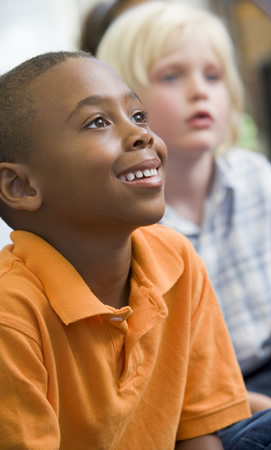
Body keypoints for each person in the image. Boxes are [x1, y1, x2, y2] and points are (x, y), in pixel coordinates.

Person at [0, 49, 253, 449]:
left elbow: (200, 435)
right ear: (21, 187)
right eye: (97, 122)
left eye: (138, 116)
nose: (142, 135)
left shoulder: (176, 260)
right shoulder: (10, 317)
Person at [96, 1, 271, 411]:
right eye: (171, 76)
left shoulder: (256, 176)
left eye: (213, 75)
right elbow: (166, 378)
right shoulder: (126, 226)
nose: (199, 90)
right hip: (200, 400)